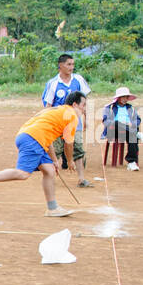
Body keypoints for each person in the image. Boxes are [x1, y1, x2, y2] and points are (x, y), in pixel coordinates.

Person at [0, 90, 87, 216]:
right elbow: (69, 143)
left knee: (49, 170)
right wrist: (69, 161)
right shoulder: (72, 116)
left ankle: (52, 208)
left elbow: (48, 138)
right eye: (83, 105)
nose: (84, 109)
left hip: (29, 137)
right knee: (22, 174)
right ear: (74, 105)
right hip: (33, 139)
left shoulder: (58, 110)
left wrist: (54, 160)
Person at [42, 53, 92, 187]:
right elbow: (47, 106)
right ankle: (52, 179)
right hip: (58, 124)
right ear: (60, 65)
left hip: (75, 123)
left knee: (78, 149)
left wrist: (86, 118)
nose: (72, 67)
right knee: (55, 151)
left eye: (73, 64)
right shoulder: (53, 83)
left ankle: (81, 179)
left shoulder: (79, 80)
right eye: (69, 64)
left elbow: (84, 102)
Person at [100, 86, 143, 171]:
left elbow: (138, 119)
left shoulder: (130, 108)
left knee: (132, 136)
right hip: (114, 130)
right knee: (117, 123)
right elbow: (106, 121)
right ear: (118, 98)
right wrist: (123, 124)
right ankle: (136, 133)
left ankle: (131, 162)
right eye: (123, 97)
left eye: (126, 97)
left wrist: (132, 124)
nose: (125, 99)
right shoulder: (109, 107)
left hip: (128, 131)